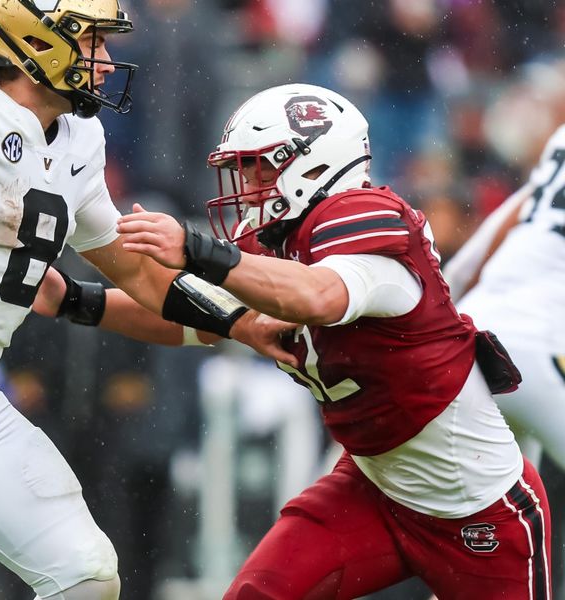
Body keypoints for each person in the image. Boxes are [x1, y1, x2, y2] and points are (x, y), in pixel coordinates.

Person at [0, 1, 294, 599]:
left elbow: (145, 281)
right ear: (36, 42)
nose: (108, 59)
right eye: (93, 41)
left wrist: (245, 325)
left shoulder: (78, 141)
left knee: (85, 574)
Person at [115, 83, 552, 598]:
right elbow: (202, 314)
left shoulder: (363, 220)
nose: (246, 183)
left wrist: (196, 248)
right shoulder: (278, 243)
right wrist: (76, 301)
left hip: (478, 508)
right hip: (372, 487)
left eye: (258, 166)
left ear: (313, 164)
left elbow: (318, 297)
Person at [444, 124, 565, 473]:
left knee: (505, 515)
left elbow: (505, 224)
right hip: (537, 345)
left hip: (472, 330)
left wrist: (445, 308)